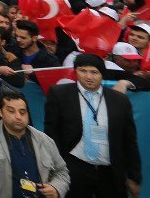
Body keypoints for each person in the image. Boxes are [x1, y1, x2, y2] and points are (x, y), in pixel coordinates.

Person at [44, 53, 141, 198]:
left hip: (110, 171)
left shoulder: (119, 100)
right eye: (83, 71)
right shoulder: (60, 94)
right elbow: (51, 132)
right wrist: (56, 168)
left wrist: (134, 177)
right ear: (75, 71)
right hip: (74, 168)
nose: (88, 76)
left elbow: (129, 140)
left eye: (94, 72)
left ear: (102, 74)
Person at [0, 91, 70, 198]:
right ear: (0, 112)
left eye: (22, 112)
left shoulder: (44, 140)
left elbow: (62, 172)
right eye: (11, 111)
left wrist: (56, 188)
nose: (18, 117)